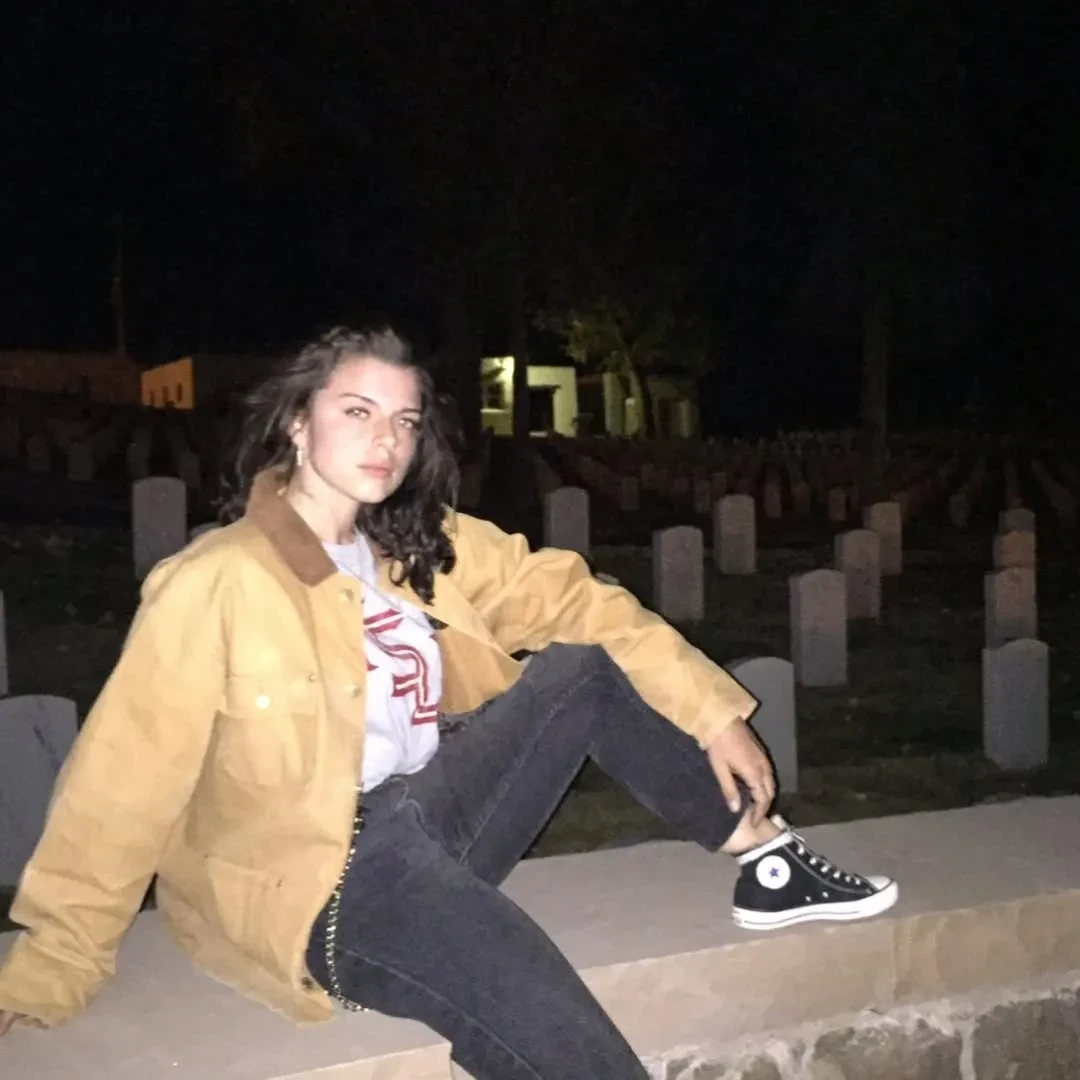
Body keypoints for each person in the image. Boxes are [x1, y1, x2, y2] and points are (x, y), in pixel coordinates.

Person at [0, 326, 898, 1078]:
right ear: (296, 425)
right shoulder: (217, 583)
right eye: (357, 412)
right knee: (550, 1018)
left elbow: (577, 601)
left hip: (429, 812)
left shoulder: (418, 547)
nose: (386, 439)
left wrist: (713, 713)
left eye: (403, 419)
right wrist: (51, 966)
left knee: (579, 671)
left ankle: (764, 859)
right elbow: (123, 782)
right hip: (328, 882)